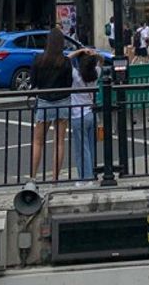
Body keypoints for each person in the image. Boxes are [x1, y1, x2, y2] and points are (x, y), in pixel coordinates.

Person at [30, 27, 72, 181]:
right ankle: (55, 178)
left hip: (44, 100)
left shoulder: (39, 59)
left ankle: (33, 177)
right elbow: (69, 83)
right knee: (59, 142)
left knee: (38, 141)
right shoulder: (65, 61)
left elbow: (33, 81)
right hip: (62, 100)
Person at [68, 47, 101, 180]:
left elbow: (66, 59)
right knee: (91, 147)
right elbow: (102, 61)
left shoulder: (76, 76)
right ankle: (92, 173)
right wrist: (95, 54)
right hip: (91, 113)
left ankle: (85, 177)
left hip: (78, 113)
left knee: (81, 149)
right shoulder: (96, 74)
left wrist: (80, 51)